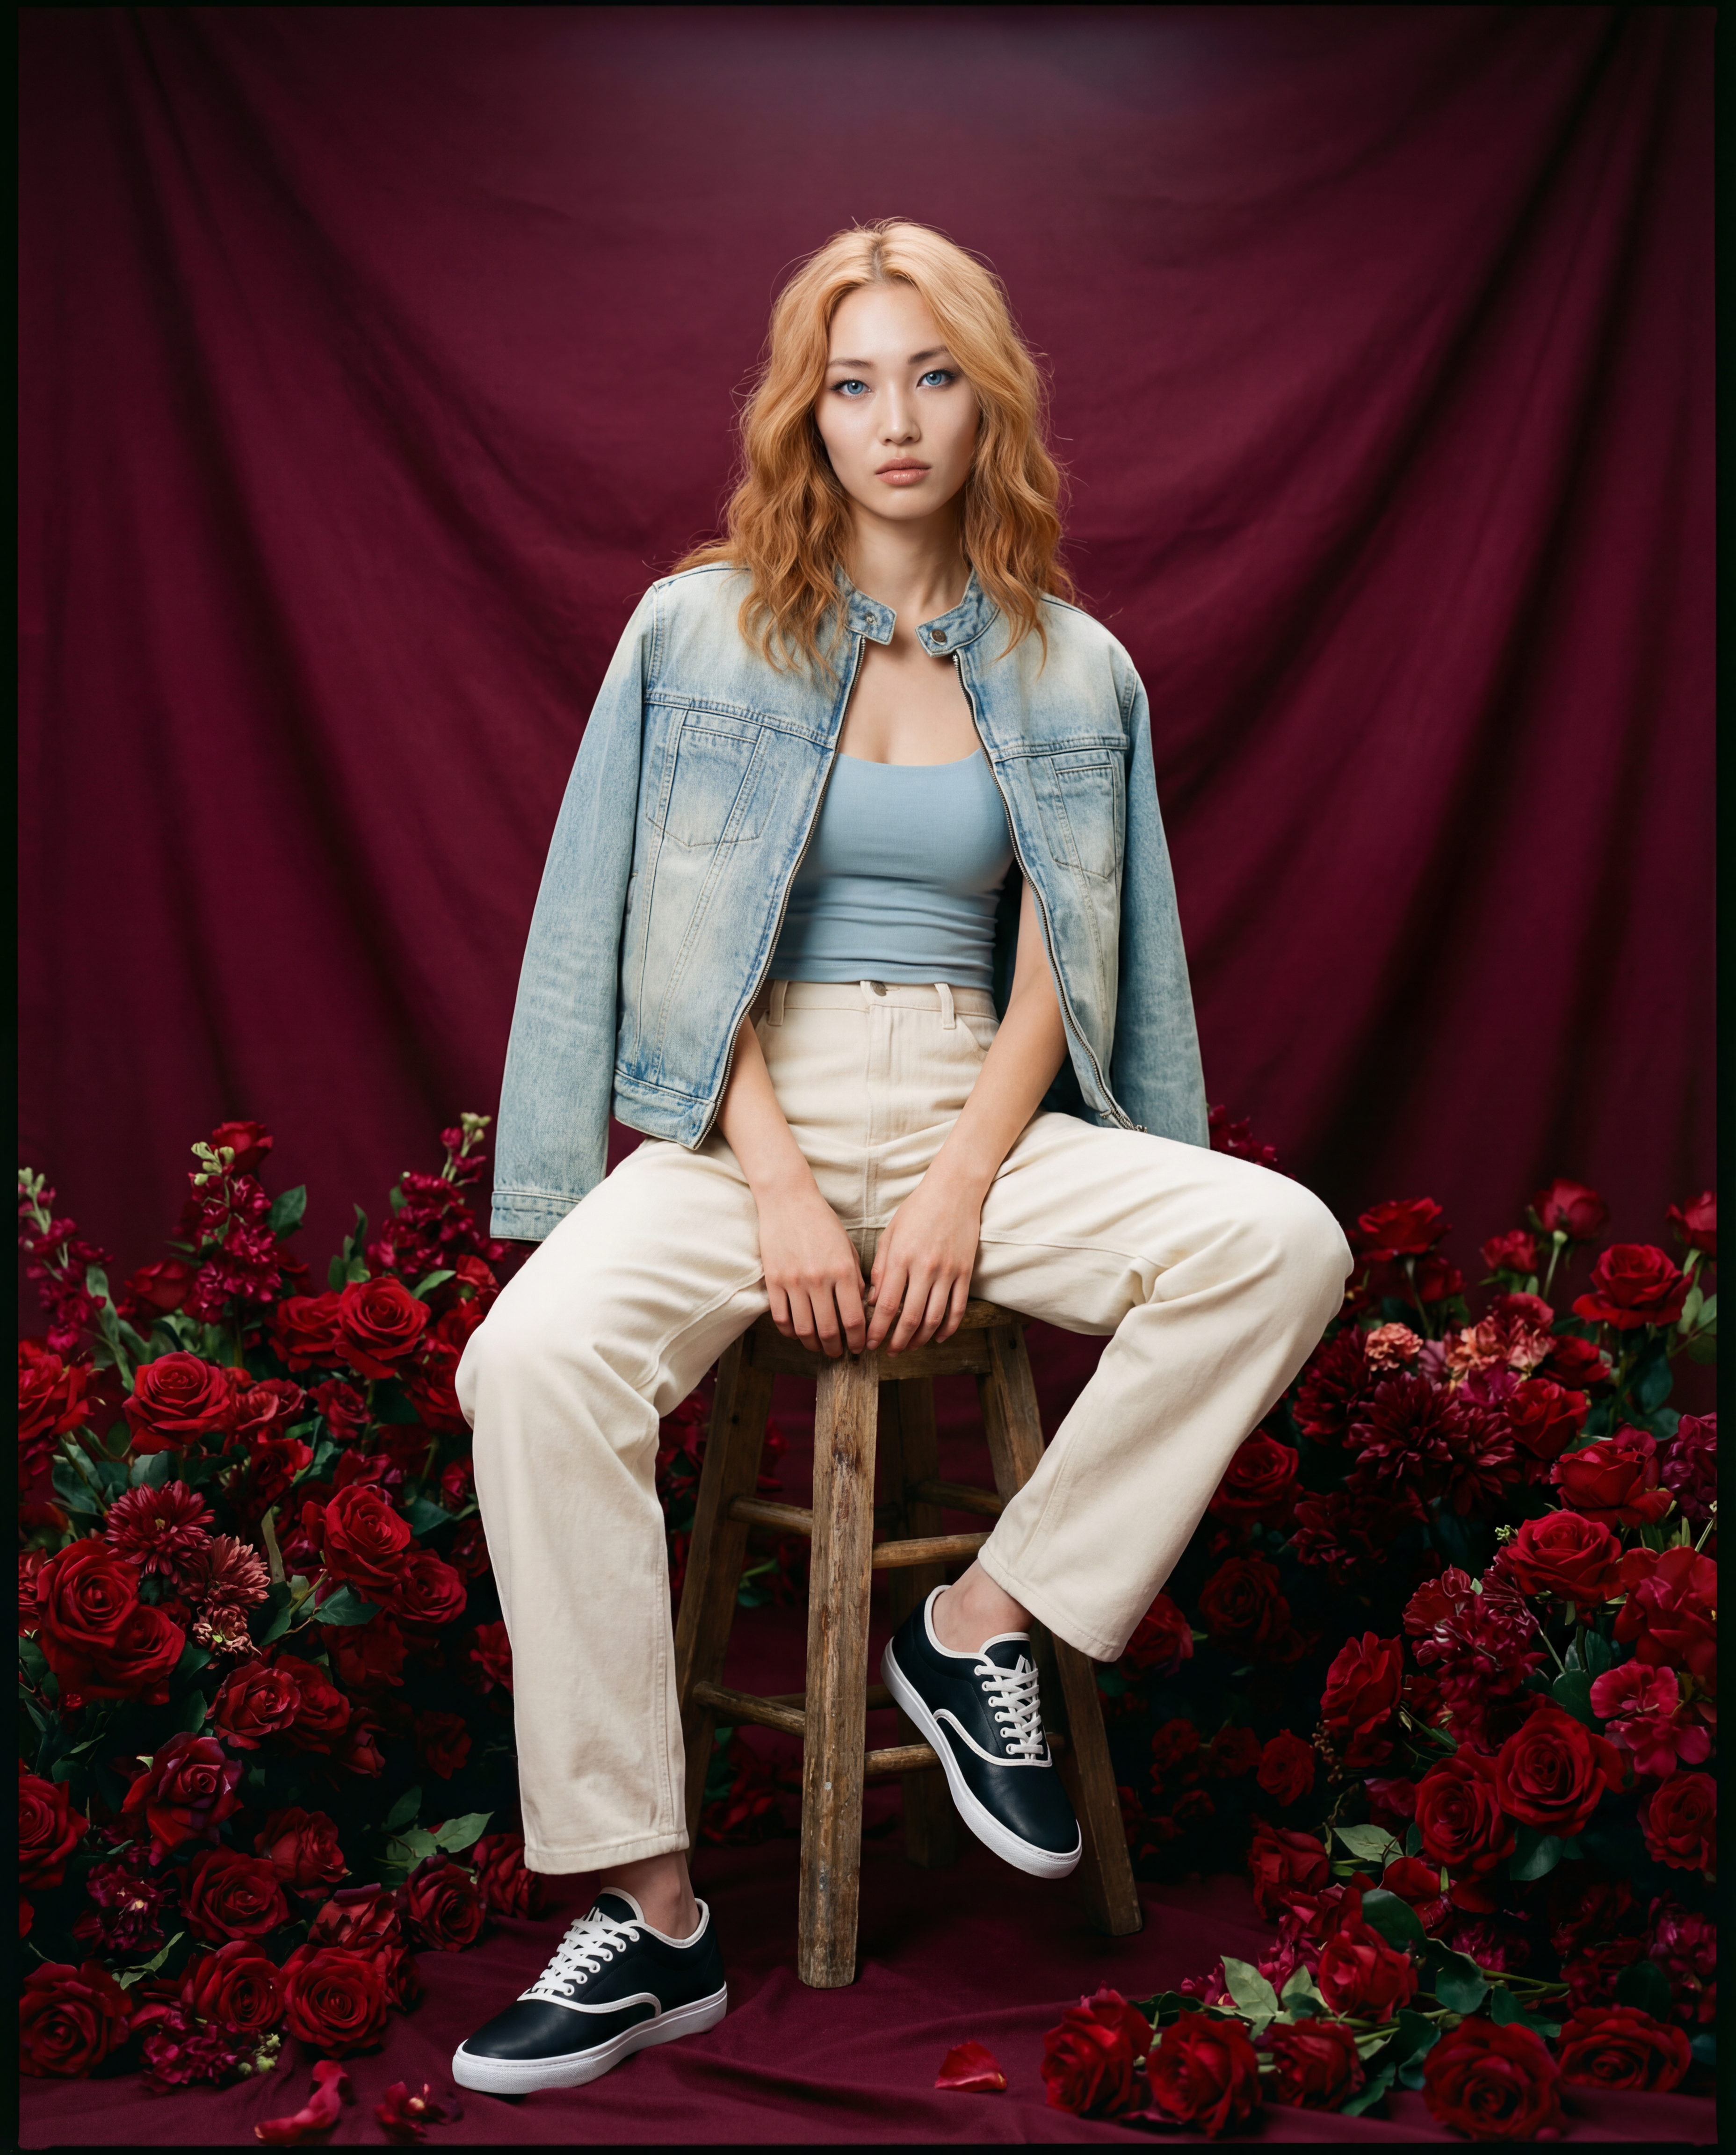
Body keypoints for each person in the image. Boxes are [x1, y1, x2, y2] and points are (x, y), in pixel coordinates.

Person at [449, 219, 1352, 2096]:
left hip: (976, 1105)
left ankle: (981, 1622)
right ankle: (651, 1916)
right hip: (739, 1113)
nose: (895, 419)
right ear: (806, 411)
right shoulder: (695, 631)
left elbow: (1067, 955)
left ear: (988, 398)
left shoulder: (1068, 663)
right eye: (854, 381)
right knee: (529, 1364)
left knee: (1280, 1243)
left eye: (932, 374)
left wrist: (955, 1180)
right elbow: (639, 933)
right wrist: (771, 1173)